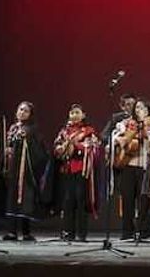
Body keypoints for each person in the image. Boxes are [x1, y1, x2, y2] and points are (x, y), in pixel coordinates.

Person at [113, 97, 150, 239]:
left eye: (143, 108)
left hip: (147, 167)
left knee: (144, 200)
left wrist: (144, 130)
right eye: (137, 108)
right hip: (128, 165)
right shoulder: (125, 123)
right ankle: (127, 231)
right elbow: (115, 137)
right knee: (127, 199)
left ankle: (143, 230)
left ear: (149, 110)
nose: (139, 110)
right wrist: (122, 140)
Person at [53, 103, 99, 242]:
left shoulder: (89, 131)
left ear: (83, 115)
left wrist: (76, 147)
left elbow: (93, 149)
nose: (74, 115)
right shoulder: (64, 132)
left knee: (80, 201)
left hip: (81, 169)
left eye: (77, 112)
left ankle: (81, 233)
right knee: (67, 201)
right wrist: (60, 150)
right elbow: (56, 148)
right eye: (72, 113)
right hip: (66, 170)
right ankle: (68, 232)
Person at [3, 101, 47, 241]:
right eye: (20, 109)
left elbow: (40, 151)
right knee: (12, 199)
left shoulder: (33, 129)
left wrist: (27, 142)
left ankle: (26, 232)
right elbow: (9, 146)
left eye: (26, 111)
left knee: (25, 201)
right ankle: (11, 232)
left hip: (26, 172)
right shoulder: (13, 128)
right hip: (13, 170)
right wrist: (8, 151)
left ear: (30, 114)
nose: (22, 112)